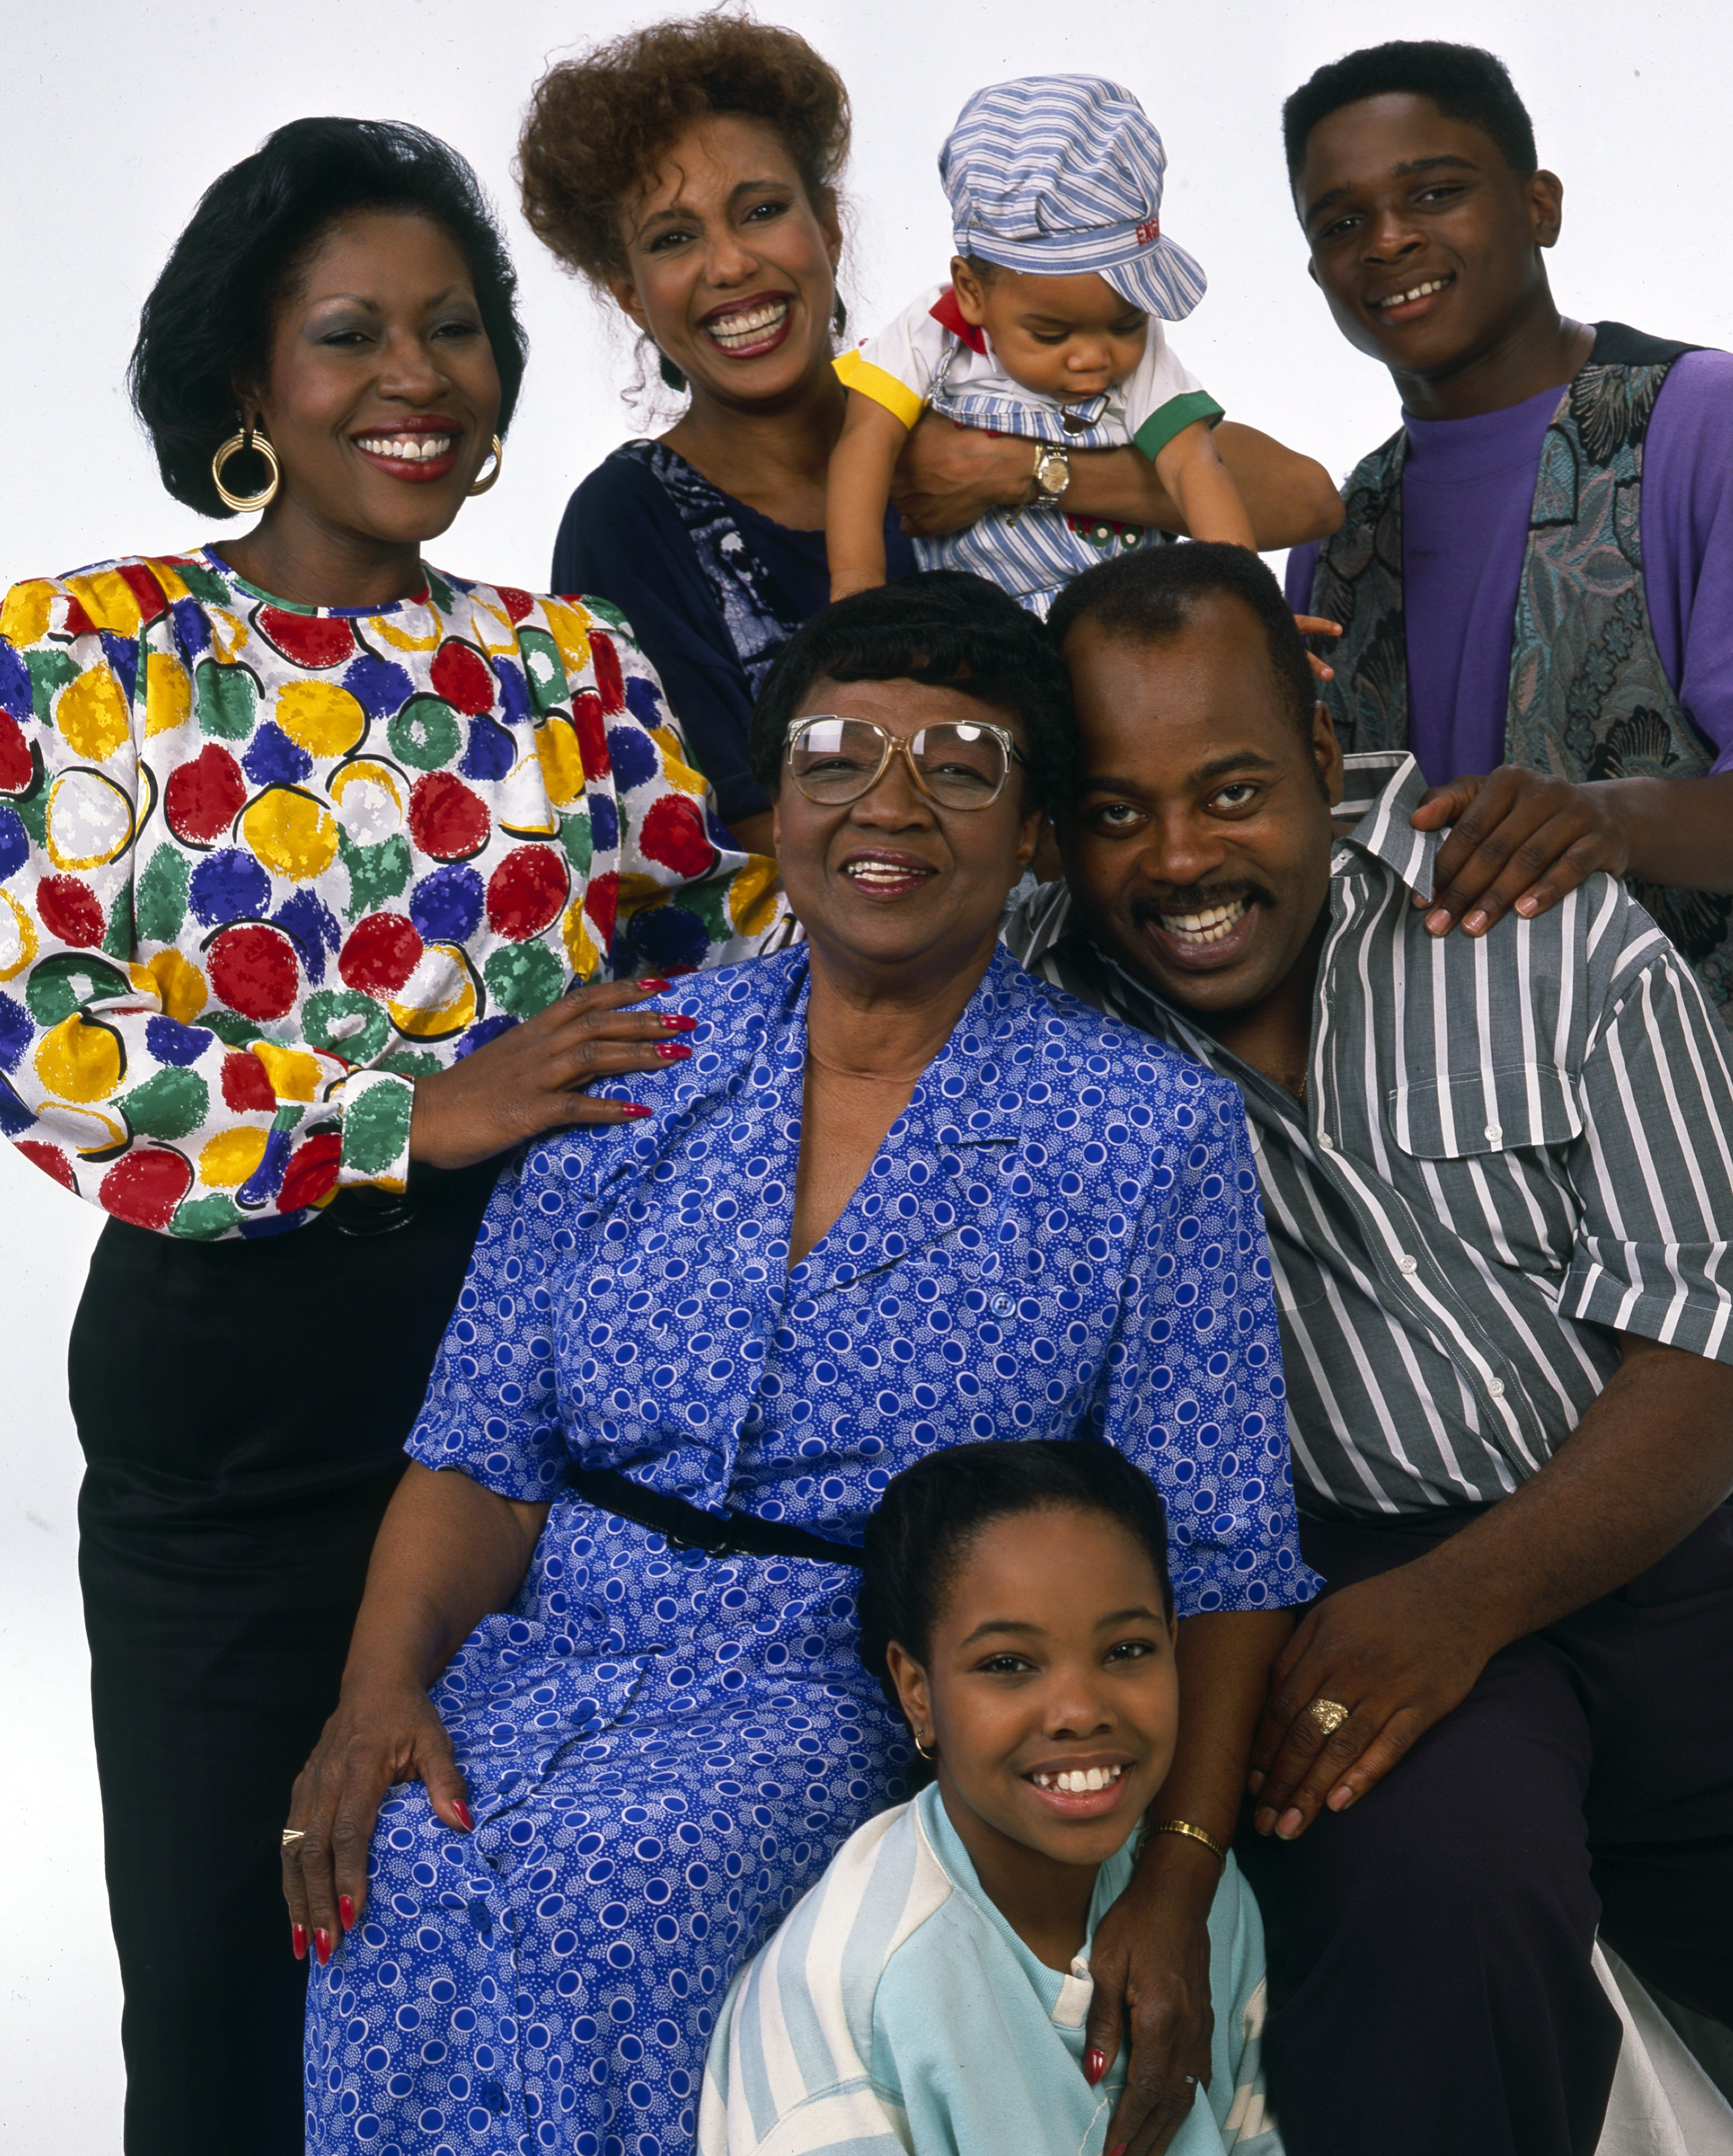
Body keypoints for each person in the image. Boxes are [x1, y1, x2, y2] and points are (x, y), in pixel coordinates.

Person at [289, 573, 1316, 2156]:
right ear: (774, 808)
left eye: (959, 765)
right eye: (837, 756)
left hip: (846, 1684)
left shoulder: (1140, 1133)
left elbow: (1224, 1546)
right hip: (554, 1660)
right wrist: (376, 1694)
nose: (887, 805)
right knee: (393, 1857)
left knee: (613, 1895)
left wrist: (1175, 1878)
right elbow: (482, 1454)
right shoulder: (634, 1060)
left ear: (1033, 828)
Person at [0, 117, 782, 2156]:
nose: (412, 377)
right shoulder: (74, 658)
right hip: (235, 1411)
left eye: (454, 329)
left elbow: (729, 968)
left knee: (487, 1961)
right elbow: (48, 1032)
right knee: (232, 1983)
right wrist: (410, 1110)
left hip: (531, 1400)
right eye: (348, 333)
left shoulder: (565, 672)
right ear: (245, 379)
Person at [1002, 541, 1733, 2156]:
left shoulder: (1535, 919)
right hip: (1316, 1594)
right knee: (1435, 1930)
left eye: (1231, 790)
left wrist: (1464, 1601)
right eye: (1114, 811)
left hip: (1634, 1537)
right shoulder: (1028, 992)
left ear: (1321, 757)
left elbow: (1727, 1334)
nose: (1178, 858)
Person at [1278, 40, 1733, 1528]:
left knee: (1708, 1541)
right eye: (1336, 220)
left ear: (1537, 202)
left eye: (1431, 191)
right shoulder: (1343, 525)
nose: (1383, 240)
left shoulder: (1698, 417)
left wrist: (1610, 816)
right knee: (1485, 1559)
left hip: (1694, 1080)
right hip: (1439, 1141)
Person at [522, 7, 1343, 852]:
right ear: (628, 290)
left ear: (828, 226)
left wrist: (1020, 469)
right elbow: (726, 835)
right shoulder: (629, 519)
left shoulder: (959, 390)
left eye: (762, 210)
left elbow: (1302, 498)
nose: (729, 264)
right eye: (673, 238)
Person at [700, 1439, 1284, 2156]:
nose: (1078, 1710)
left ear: (1172, 1643)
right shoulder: (849, 1989)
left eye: (1126, 1650)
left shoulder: (1201, 1894)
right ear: (918, 1692)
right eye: (1007, 1664)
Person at [826, 75, 1254, 606]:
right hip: (983, 628)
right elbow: (866, 440)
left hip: (1128, 617)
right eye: (1051, 334)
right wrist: (856, 588)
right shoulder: (930, 332)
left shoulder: (1145, 363)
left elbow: (1195, 465)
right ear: (971, 292)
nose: (1094, 358)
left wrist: (1248, 609)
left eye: (1126, 327)